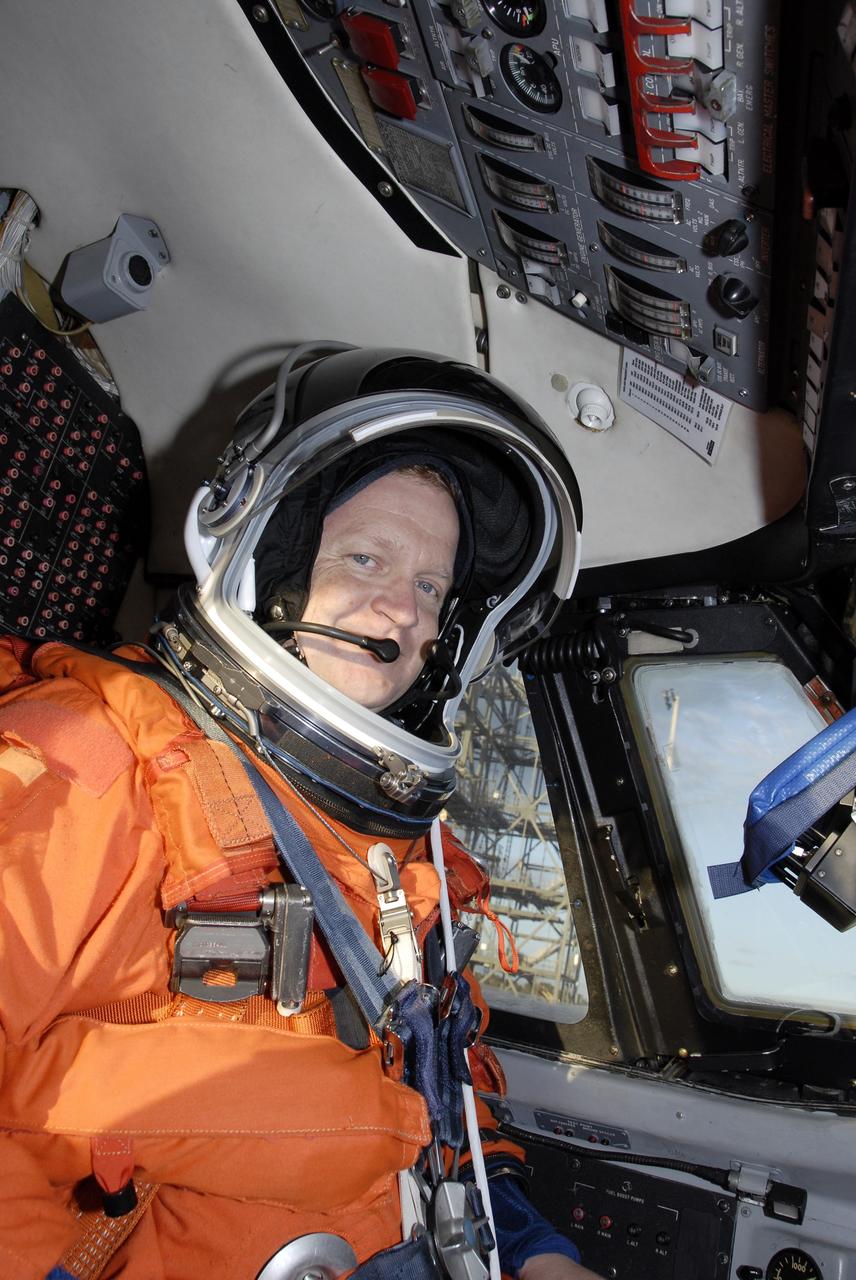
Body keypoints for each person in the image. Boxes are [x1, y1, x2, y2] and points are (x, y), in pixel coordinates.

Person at [0, 344, 600, 1280]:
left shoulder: (406, 852)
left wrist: (531, 1250)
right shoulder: (86, 759)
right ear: (266, 561)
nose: (404, 610)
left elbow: (440, 1103)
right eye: (367, 557)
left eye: (434, 587)